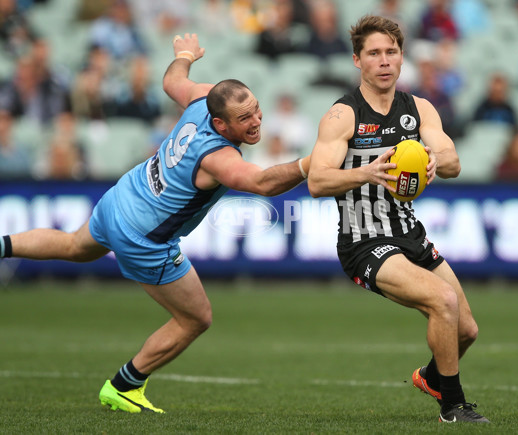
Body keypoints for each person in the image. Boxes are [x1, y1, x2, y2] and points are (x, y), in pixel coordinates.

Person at [0, 33, 310, 413]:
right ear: (220, 123)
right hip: (144, 238)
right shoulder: (216, 156)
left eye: (257, 110)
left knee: (72, 247)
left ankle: (2, 245)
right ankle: (124, 385)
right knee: (196, 318)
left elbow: (170, 81)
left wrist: (184, 55)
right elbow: (261, 183)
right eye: (244, 118)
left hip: (122, 198)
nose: (257, 121)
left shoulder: (202, 96)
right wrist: (311, 164)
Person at [307, 15, 489, 423]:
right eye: (374, 53)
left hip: (409, 233)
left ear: (402, 57)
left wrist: (433, 161)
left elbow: (454, 162)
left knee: (467, 331)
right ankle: (453, 406)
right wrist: (365, 172)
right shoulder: (343, 115)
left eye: (391, 52)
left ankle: (430, 376)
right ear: (357, 60)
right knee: (442, 302)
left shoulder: (418, 108)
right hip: (364, 241)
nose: (384, 61)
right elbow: (317, 181)